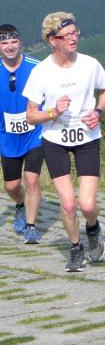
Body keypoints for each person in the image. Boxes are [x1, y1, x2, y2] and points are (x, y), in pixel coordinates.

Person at [23, 12, 105, 271]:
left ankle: (93, 228)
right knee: (69, 203)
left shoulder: (90, 64)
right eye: (67, 35)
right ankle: (75, 248)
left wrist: (98, 112)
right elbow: (31, 116)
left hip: (87, 138)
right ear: (53, 40)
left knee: (87, 205)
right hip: (55, 141)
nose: (74, 38)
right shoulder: (41, 72)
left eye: (76, 33)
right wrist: (53, 112)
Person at [1, 24, 44, 244]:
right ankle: (20, 204)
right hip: (7, 136)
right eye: (4, 43)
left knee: (32, 179)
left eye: (14, 42)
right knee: (12, 186)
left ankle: (31, 226)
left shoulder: (37, 68)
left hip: (35, 133)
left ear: (21, 43)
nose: (10, 47)